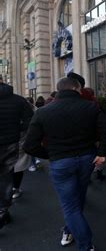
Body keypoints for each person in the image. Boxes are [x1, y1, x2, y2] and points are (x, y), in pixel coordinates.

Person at [24, 77, 106, 250]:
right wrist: (102, 153)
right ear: (77, 89)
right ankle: (74, 233)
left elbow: (29, 145)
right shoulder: (90, 107)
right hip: (87, 158)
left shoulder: (43, 112)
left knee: (71, 205)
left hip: (61, 162)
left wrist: (50, 155)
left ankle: (84, 244)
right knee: (78, 196)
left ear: (58, 90)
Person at [0, 77, 33, 229]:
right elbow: (30, 121)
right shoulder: (19, 100)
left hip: (9, 141)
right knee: (6, 175)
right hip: (10, 143)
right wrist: (17, 131)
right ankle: (3, 209)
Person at [12, 97, 37, 199]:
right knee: (18, 162)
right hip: (18, 136)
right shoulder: (19, 101)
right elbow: (30, 120)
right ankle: (15, 188)